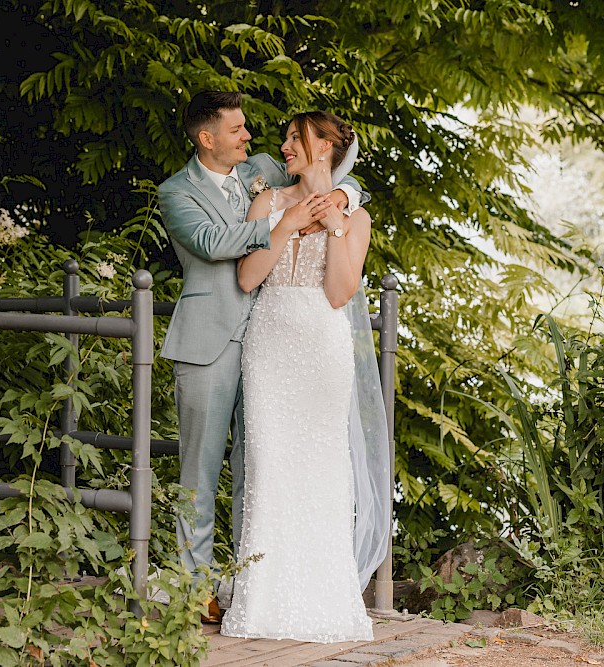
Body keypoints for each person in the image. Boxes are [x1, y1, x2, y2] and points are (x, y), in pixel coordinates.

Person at [158, 92, 368, 623]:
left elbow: (334, 170)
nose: (249, 137)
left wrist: (339, 197)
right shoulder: (176, 192)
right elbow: (212, 242)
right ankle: (195, 591)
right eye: (236, 130)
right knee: (200, 472)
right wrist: (286, 221)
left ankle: (250, 584)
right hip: (209, 341)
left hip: (273, 345)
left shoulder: (262, 170)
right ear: (207, 138)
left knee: (260, 470)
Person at [220, 111, 389, 642]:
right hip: (269, 345)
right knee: (268, 465)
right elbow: (247, 278)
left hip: (322, 347)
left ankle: (325, 601)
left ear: (327, 147)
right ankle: (260, 602)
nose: (286, 145)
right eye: (287, 136)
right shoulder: (267, 202)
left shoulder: (355, 217)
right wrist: (287, 223)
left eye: (298, 137)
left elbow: (339, 293)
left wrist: (335, 222)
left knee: (322, 468)